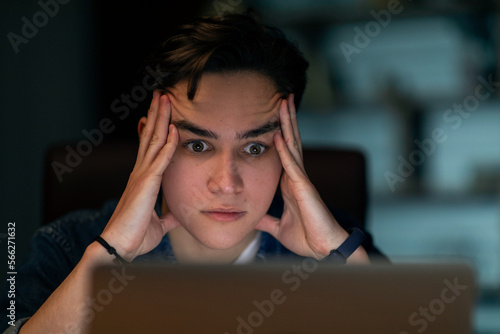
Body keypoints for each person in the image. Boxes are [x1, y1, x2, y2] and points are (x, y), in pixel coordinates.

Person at [1, 11, 387, 334]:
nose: (226, 184)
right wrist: (110, 256)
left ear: (290, 148)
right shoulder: (67, 245)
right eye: (197, 145)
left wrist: (336, 257)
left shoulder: (339, 245)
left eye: (255, 148)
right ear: (149, 143)